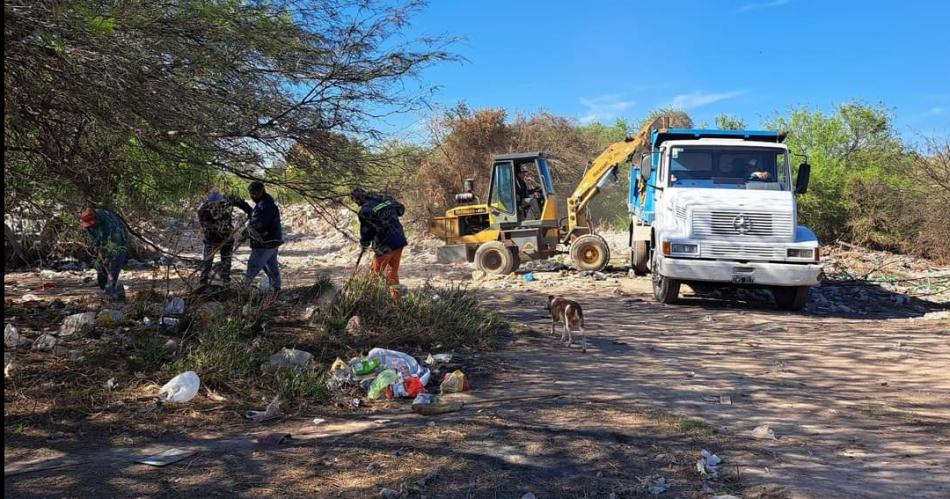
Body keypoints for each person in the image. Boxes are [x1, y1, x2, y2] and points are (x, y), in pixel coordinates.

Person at [351, 188, 407, 303]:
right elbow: (401, 210)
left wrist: (364, 244)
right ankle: (397, 301)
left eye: (355, 201)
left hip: (384, 245)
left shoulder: (365, 210)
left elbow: (367, 231)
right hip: (399, 239)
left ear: (356, 199)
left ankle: (374, 302)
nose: (356, 204)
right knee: (392, 273)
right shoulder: (384, 199)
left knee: (374, 275)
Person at [197, 189, 252, 285]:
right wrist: (219, 228)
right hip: (211, 239)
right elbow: (206, 226)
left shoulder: (228, 201)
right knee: (207, 263)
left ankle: (225, 283)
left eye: (220, 204)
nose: (217, 207)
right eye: (213, 206)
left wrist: (251, 212)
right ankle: (203, 284)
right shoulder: (203, 210)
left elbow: (242, 204)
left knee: (226, 262)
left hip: (227, 238)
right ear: (209, 204)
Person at [79, 207, 129, 300]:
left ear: (97, 219)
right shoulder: (89, 225)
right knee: (99, 267)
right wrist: (99, 251)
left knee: (113, 268)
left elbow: (115, 243)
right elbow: (95, 238)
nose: (90, 227)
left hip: (119, 243)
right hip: (104, 243)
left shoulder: (110, 224)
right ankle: (105, 293)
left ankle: (114, 296)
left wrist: (108, 258)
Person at [242, 181, 283, 291]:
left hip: (265, 243)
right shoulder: (263, 203)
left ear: (262, 191)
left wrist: (247, 232)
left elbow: (259, 224)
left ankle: (242, 291)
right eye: (251, 194)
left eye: (255, 193)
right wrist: (243, 205)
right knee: (271, 266)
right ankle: (276, 288)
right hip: (271, 241)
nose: (253, 196)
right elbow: (255, 215)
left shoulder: (267, 206)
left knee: (253, 265)